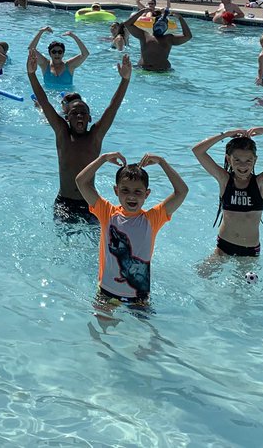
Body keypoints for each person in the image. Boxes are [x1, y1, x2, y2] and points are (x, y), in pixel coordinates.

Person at [74, 150, 189, 305]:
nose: (131, 196)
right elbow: (81, 181)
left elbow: (182, 191)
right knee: (100, 328)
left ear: (147, 194)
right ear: (116, 191)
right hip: (106, 293)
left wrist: (162, 162)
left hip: (139, 298)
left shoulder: (153, 219)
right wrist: (103, 158)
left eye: (138, 191)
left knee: (144, 330)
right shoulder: (107, 213)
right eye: (125, 190)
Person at [30, 50, 132, 222]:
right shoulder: (62, 133)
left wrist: (125, 80)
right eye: (74, 113)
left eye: (83, 113)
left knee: (98, 245)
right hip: (64, 202)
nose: (79, 116)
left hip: (90, 201)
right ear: (67, 117)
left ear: (89, 118)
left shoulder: (95, 137)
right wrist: (31, 74)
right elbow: (45, 102)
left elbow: (113, 107)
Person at [192, 127, 263, 258]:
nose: (243, 166)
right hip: (223, 246)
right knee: (201, 276)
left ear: (255, 160)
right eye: (237, 160)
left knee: (245, 279)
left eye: (248, 161)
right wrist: (225, 134)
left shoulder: (261, 183)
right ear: (228, 160)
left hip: (249, 251)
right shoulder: (224, 180)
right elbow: (197, 151)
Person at [123, 6, 192, 72]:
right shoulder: (144, 35)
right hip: (143, 69)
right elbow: (127, 24)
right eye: (158, 24)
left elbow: (188, 36)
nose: (160, 27)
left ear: (166, 28)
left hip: (163, 72)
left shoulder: (169, 38)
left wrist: (180, 18)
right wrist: (142, 12)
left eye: (163, 25)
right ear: (153, 25)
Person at [28, 26, 89, 92]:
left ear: (63, 53)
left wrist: (74, 36)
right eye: (54, 52)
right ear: (50, 53)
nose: (57, 54)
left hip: (67, 98)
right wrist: (41, 32)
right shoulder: (45, 64)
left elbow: (85, 54)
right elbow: (31, 49)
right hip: (49, 96)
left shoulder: (69, 66)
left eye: (60, 52)